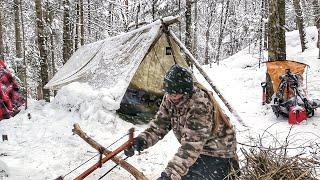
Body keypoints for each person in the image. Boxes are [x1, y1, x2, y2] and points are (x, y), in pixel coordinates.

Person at [125, 64, 239, 180]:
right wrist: (141, 141)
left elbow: (191, 146)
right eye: (168, 92)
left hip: (218, 154)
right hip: (198, 151)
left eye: (174, 94)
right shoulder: (170, 98)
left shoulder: (199, 105)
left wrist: (169, 175)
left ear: (185, 92)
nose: (169, 97)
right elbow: (159, 126)